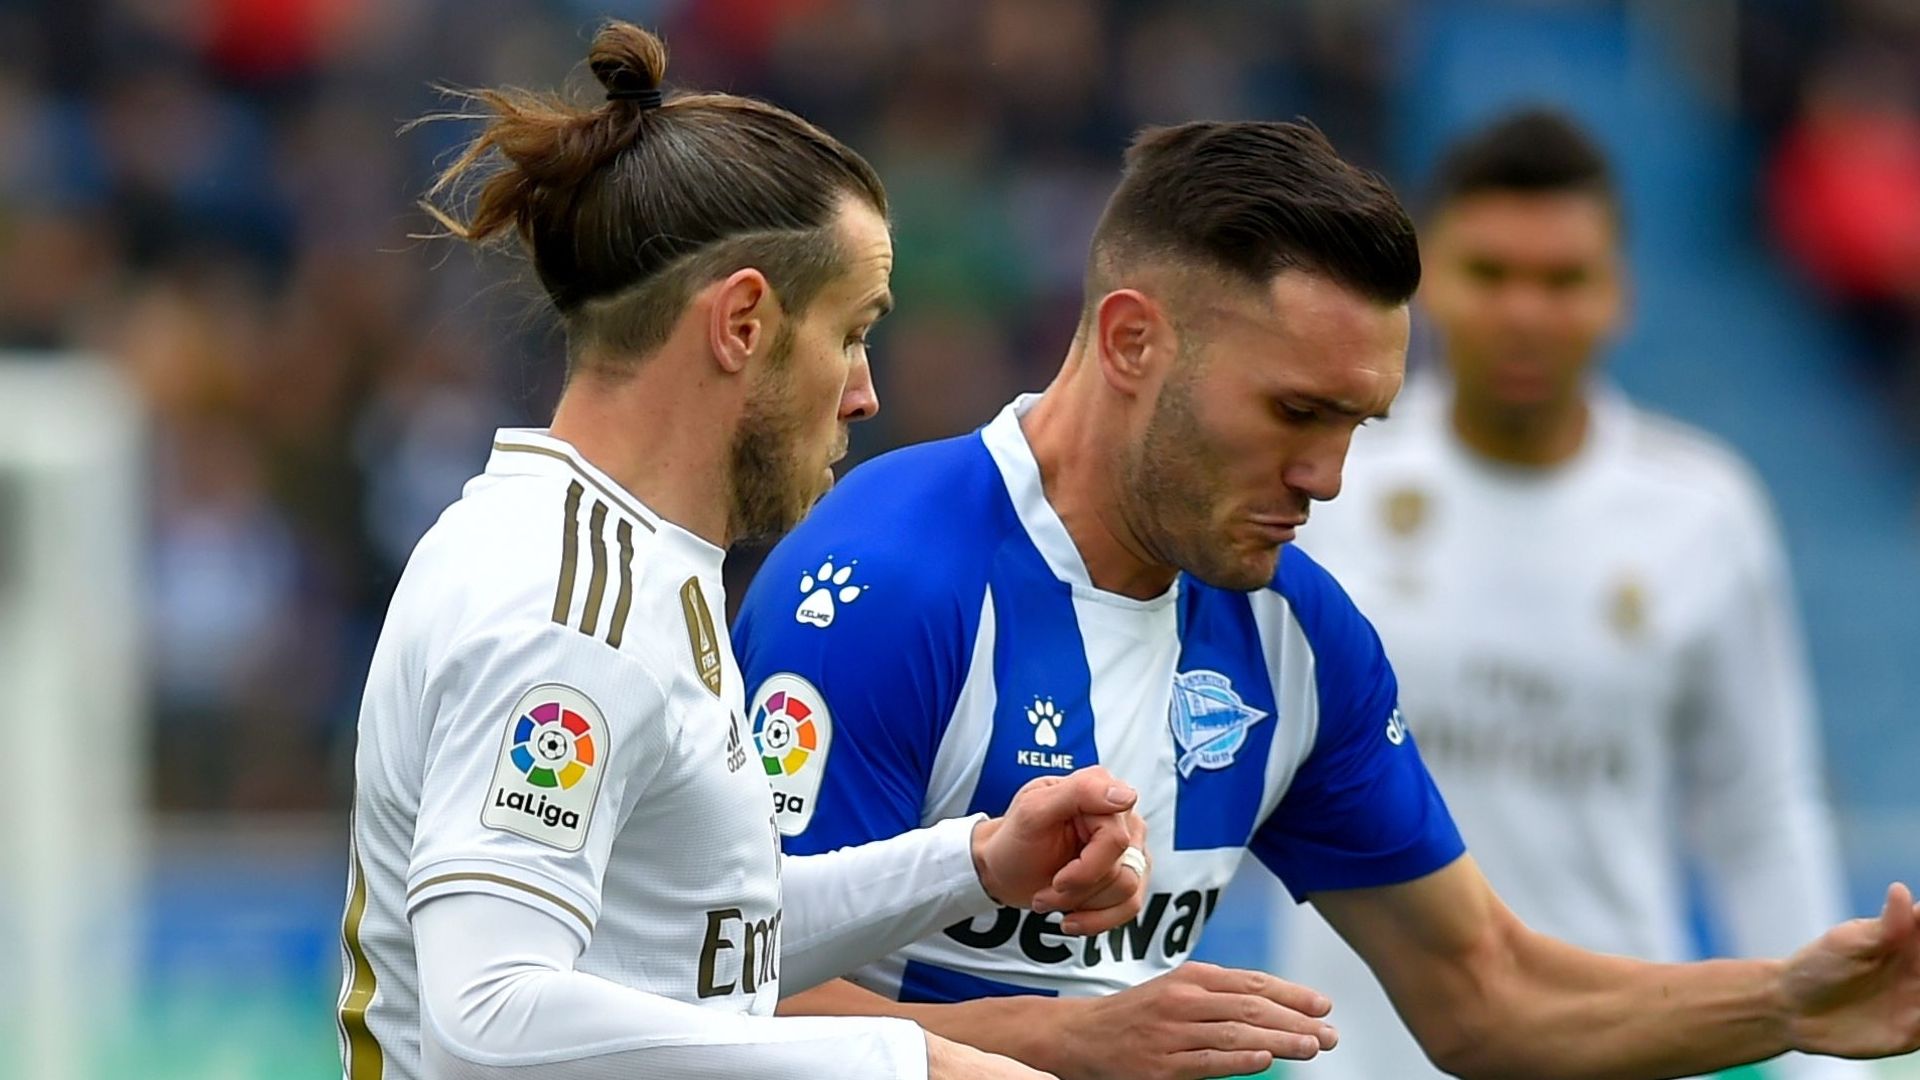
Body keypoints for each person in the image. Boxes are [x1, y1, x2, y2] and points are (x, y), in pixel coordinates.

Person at [731, 118, 1920, 1080]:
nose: (1328, 477)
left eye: (1358, 423)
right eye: (1298, 412)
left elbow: (1483, 994)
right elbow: (711, 996)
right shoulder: (890, 582)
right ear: (1134, 341)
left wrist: (1789, 999)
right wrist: (1065, 1047)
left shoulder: (1294, 633)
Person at [337, 23, 1151, 1080]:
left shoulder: (635, 566)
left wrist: (978, 862)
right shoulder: (564, 604)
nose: (865, 391)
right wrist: (910, 1066)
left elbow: (703, 944)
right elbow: (486, 1017)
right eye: (852, 333)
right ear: (745, 324)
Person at [1281, 108, 1869, 1080]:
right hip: (1364, 1059)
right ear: (1429, 285)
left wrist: (1828, 1068)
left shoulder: (1702, 511)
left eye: (1562, 280)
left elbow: (1758, 811)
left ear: (1619, 294)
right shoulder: (1333, 488)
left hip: (1617, 1054)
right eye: (1492, 274)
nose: (1525, 312)